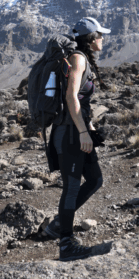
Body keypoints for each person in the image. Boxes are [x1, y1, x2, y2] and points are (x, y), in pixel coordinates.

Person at [43, 17, 108, 261]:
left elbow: (82, 101)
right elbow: (71, 98)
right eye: (100, 35)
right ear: (91, 38)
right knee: (71, 187)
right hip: (69, 133)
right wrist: (82, 132)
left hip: (78, 129)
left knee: (95, 180)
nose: (103, 39)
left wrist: (89, 127)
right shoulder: (78, 59)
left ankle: (59, 224)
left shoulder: (83, 59)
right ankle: (66, 244)